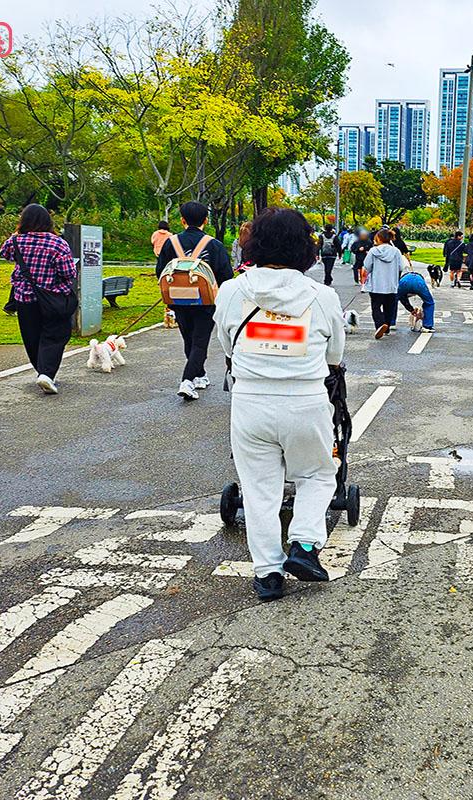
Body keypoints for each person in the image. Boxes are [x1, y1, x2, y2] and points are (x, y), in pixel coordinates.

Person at [213, 208, 346, 602]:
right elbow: (335, 354)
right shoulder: (322, 296)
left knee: (259, 490)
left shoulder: (232, 290)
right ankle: (304, 545)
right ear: (305, 246)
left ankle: (268, 574)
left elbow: (225, 342)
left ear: (254, 242)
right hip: (306, 400)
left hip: (250, 400)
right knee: (319, 474)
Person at [156, 201, 232, 401]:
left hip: (178, 300)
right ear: (206, 220)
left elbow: (160, 271)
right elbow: (226, 275)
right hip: (206, 303)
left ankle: (200, 374)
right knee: (199, 341)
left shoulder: (170, 243)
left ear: (182, 221)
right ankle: (188, 381)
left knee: (189, 339)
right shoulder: (214, 245)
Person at [0, 204, 77, 395]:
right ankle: (46, 373)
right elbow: (68, 272)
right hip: (53, 298)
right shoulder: (57, 243)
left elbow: (5, 254)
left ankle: (42, 372)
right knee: (56, 334)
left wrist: (17, 235)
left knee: (32, 337)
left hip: (24, 299)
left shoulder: (15, 241)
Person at [365, 228, 404, 338]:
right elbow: (401, 266)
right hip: (391, 285)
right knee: (389, 307)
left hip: (376, 285)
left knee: (376, 307)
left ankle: (380, 325)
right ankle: (386, 326)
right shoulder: (396, 251)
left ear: (379, 238)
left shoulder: (373, 251)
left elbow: (367, 266)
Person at [397, 266, 436, 333]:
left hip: (404, 283)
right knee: (429, 303)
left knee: (393, 301)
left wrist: (411, 309)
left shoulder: (403, 278)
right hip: (419, 283)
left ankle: (390, 323)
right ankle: (427, 326)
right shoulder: (420, 279)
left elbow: (403, 299)